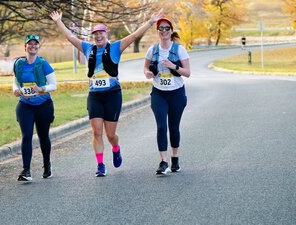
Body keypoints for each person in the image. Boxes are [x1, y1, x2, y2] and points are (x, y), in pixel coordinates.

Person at [50, 10, 164, 177]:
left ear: (106, 33)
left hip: (112, 95)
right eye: (95, 34)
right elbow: (71, 38)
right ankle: (100, 164)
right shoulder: (88, 48)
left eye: (101, 33)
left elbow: (133, 36)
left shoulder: (116, 47)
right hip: (95, 95)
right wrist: (58, 21)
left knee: (110, 135)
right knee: (96, 132)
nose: (98, 36)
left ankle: (116, 149)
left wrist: (149, 22)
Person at [143, 18, 191, 176]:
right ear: (157, 32)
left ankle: (175, 158)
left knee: (174, 127)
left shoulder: (179, 49)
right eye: (161, 28)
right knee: (161, 126)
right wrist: (148, 73)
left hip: (176, 93)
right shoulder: (153, 50)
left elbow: (187, 73)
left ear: (171, 31)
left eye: (166, 28)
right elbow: (145, 67)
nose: (163, 31)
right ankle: (163, 162)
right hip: (159, 93)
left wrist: (173, 66)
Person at [13, 34, 57, 182]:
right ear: (25, 47)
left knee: (43, 136)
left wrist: (41, 88)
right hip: (25, 105)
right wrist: (16, 89)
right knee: (26, 136)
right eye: (29, 44)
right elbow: (15, 81)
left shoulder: (43, 64)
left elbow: (54, 85)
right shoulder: (19, 64)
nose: (32, 46)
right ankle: (26, 171)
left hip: (43, 105)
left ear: (38, 47)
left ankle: (47, 166)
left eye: (35, 44)